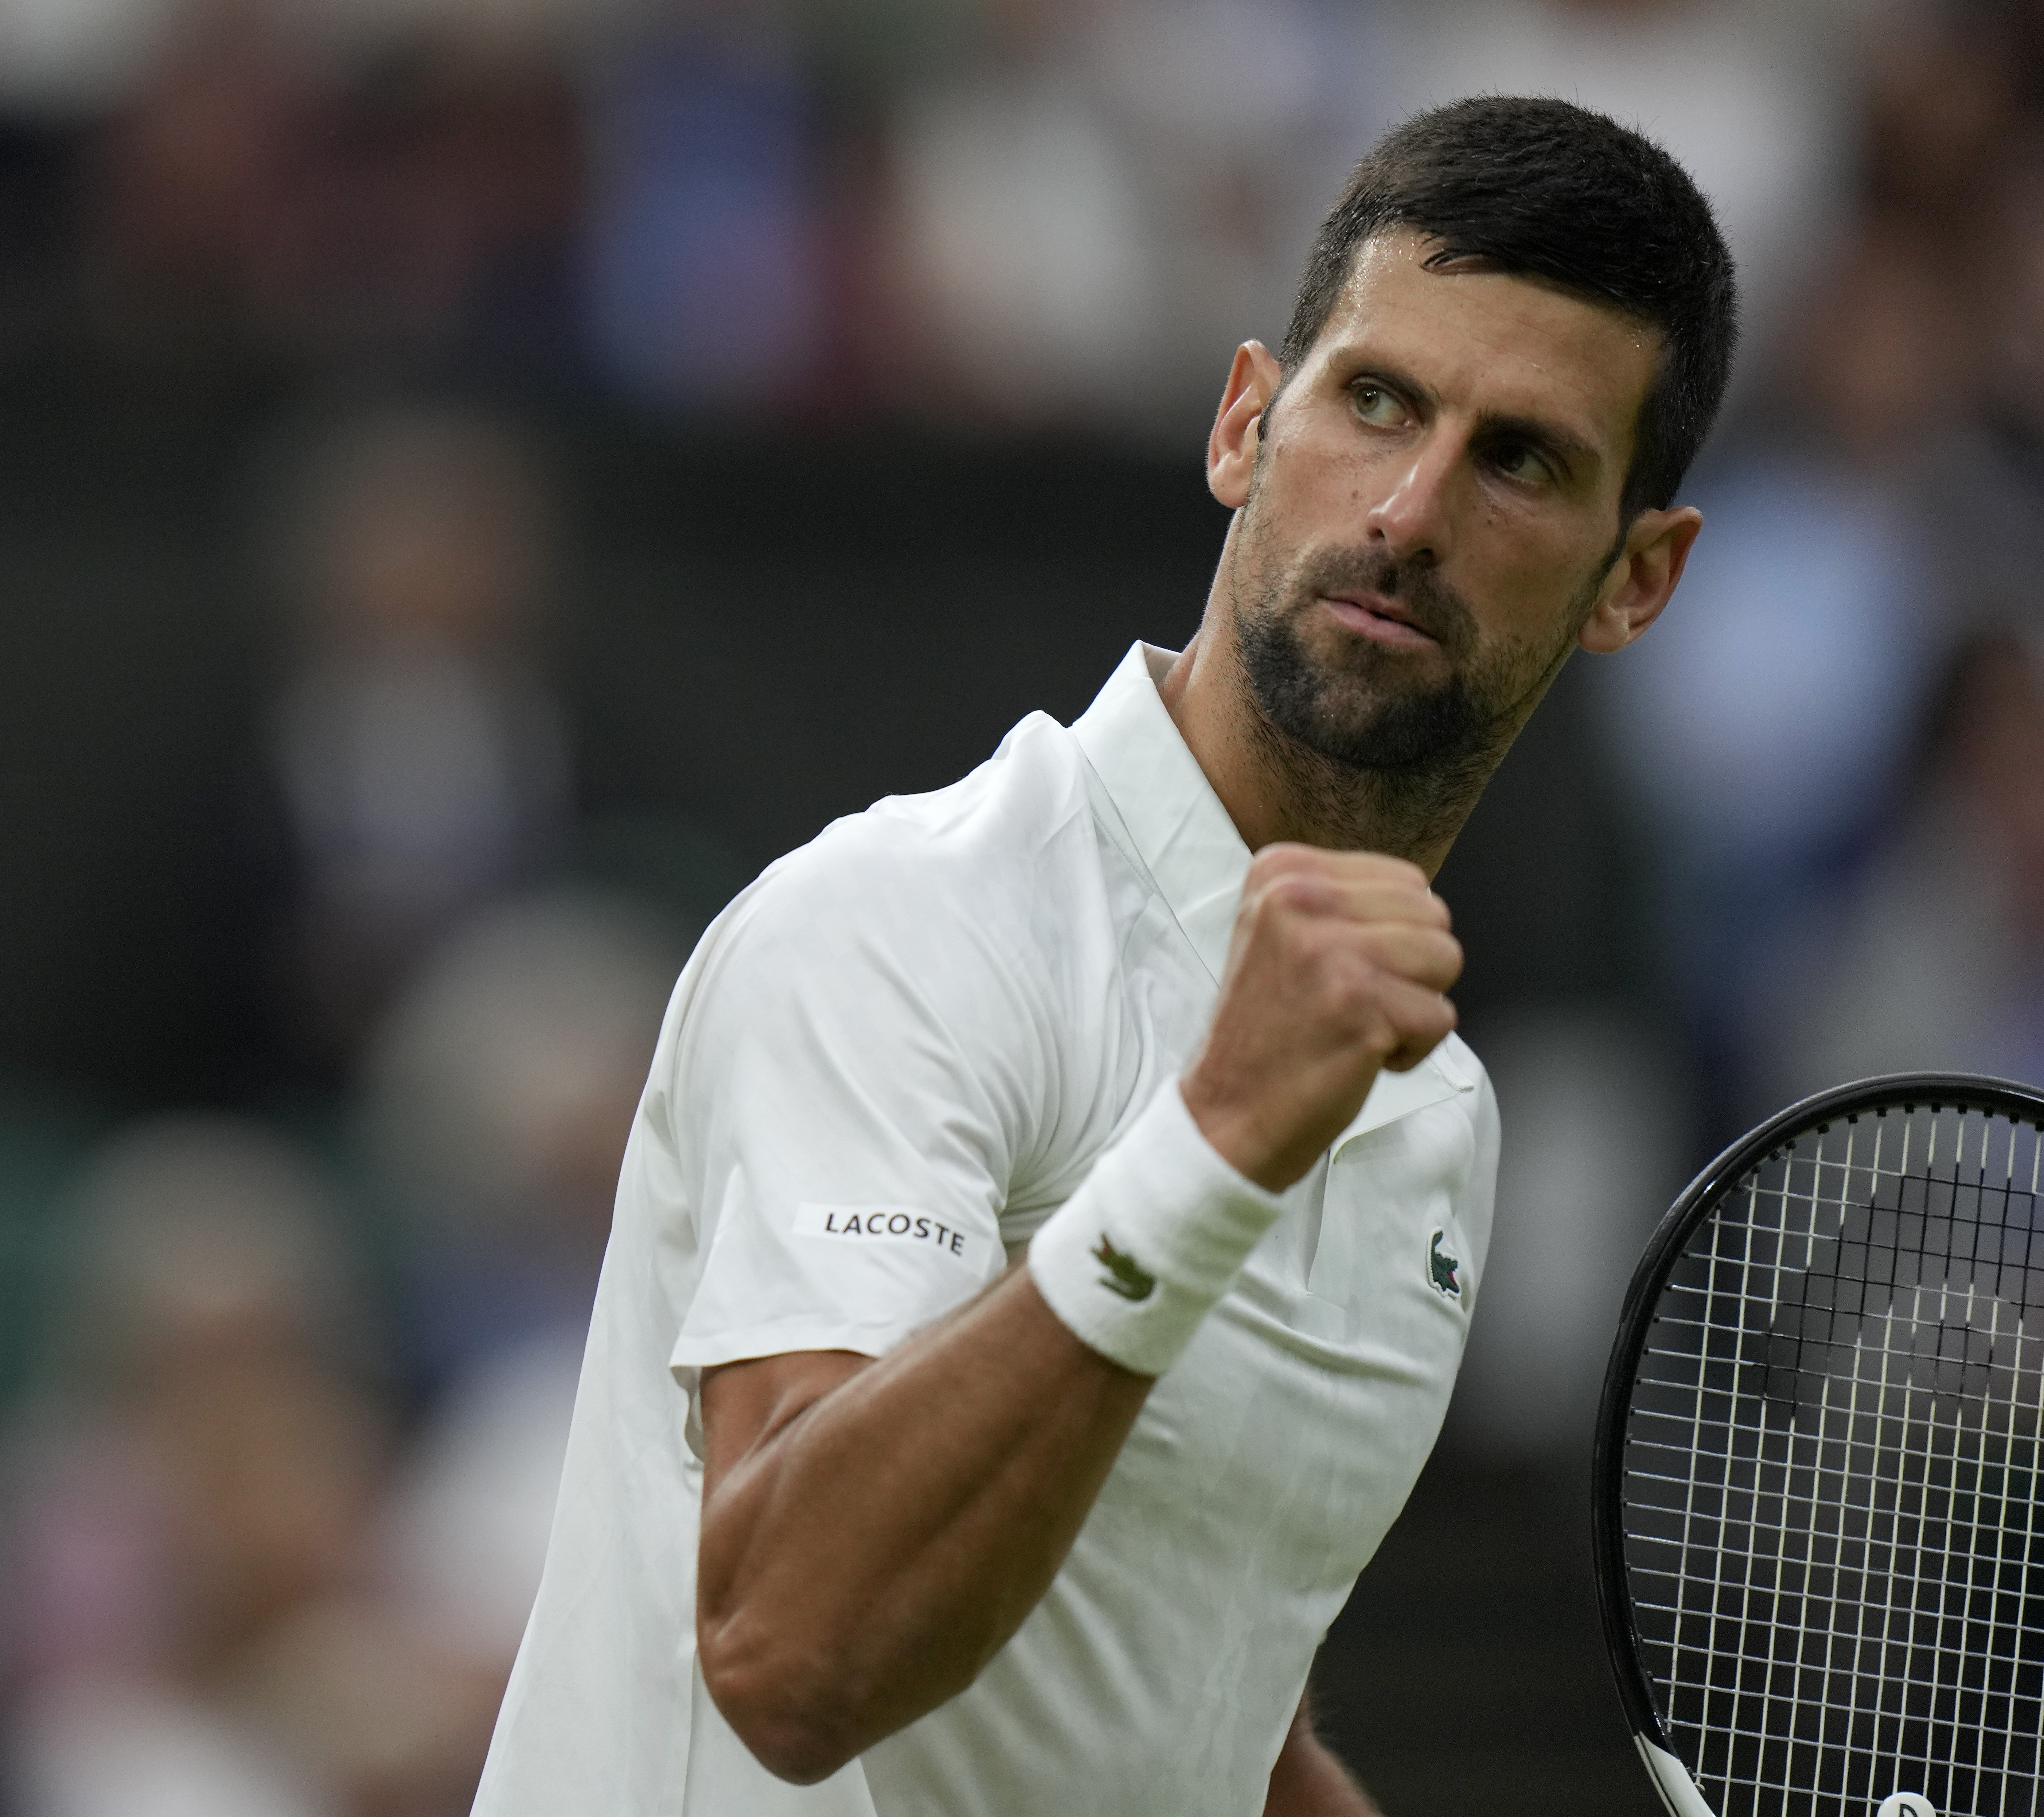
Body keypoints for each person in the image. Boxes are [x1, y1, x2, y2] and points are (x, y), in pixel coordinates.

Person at [471, 95, 1734, 1816]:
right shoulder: (900, 928)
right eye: (1374, 400)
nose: (1413, 506)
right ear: (1243, 422)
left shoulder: (1434, 1119)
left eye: (1522, 459)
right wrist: (1206, 1153)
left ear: (1634, 582)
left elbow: (1186, 1696)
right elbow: (784, 1650)